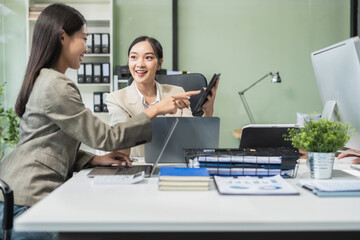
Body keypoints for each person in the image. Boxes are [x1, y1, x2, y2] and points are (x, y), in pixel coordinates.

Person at [0, 4, 197, 240]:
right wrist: (155, 110)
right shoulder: (56, 84)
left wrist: (93, 158)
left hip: (19, 195)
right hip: (28, 197)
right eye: (83, 38)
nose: (87, 47)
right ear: (63, 37)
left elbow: (48, 142)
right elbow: (106, 137)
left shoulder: (46, 78)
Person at [106, 36, 219, 157]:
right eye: (133, 57)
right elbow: (121, 143)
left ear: (159, 63)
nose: (140, 64)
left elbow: (193, 142)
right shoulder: (116, 99)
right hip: (137, 166)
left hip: (174, 165)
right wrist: (158, 108)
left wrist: (208, 112)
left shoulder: (177, 92)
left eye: (148, 57)